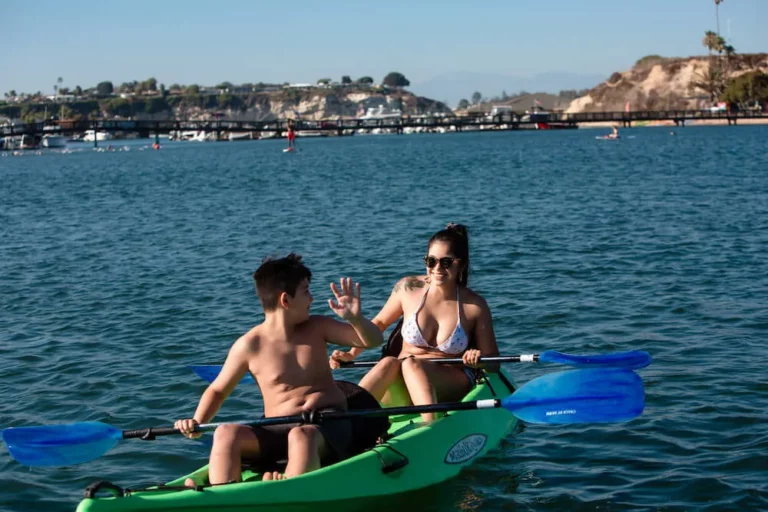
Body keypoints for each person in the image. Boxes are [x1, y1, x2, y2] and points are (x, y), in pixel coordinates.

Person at [175, 254, 383, 485]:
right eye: (306, 291)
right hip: (275, 430)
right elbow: (218, 391)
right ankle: (222, 495)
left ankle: (285, 490)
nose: (311, 299)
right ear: (286, 300)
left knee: (301, 436)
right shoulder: (249, 345)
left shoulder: (318, 327)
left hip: (328, 427)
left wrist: (356, 319)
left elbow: (372, 341)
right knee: (226, 433)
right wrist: (197, 421)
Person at [329, 224, 500, 422]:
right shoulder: (407, 289)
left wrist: (479, 358)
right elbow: (379, 323)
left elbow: (494, 363)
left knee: (412, 364)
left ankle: (430, 426)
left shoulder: (475, 306)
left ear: (460, 264)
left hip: (449, 380)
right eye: (431, 261)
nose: (437, 268)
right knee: (388, 362)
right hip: (403, 374)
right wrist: (350, 354)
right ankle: (343, 422)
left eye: (446, 262)